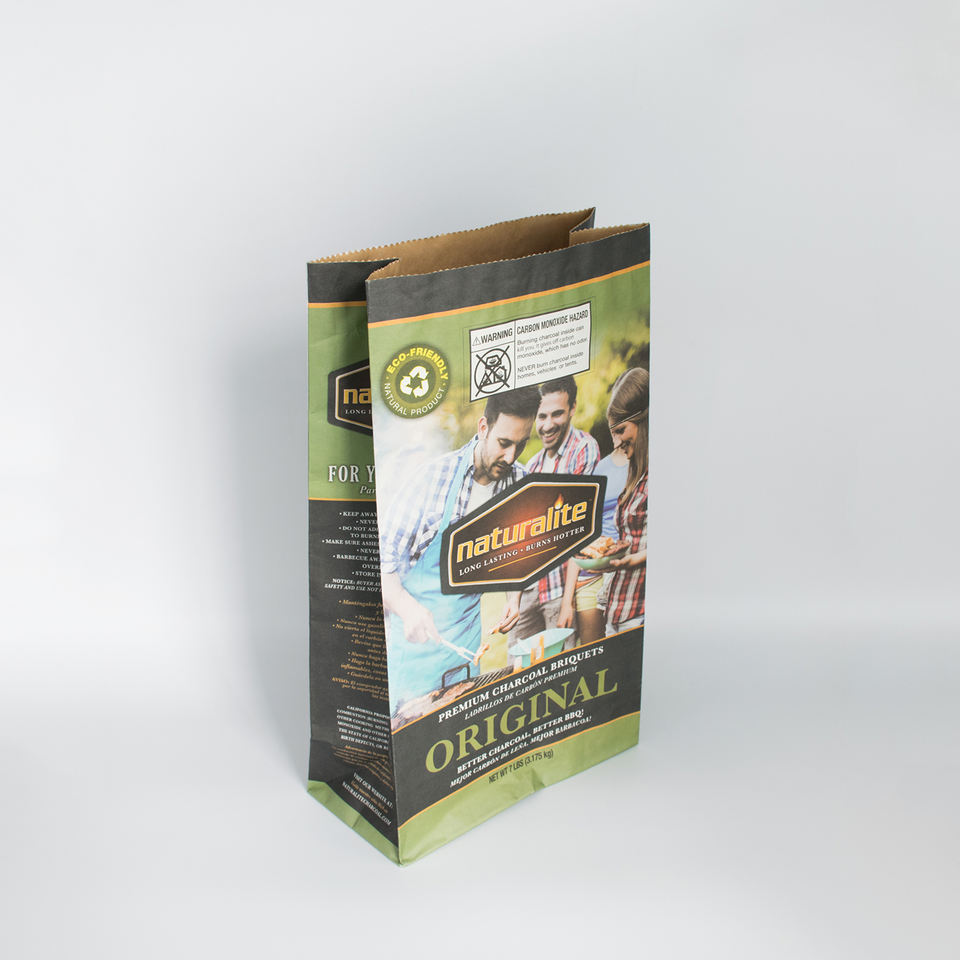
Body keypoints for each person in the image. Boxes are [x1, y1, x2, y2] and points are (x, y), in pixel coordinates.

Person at [379, 386, 541, 711]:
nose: (511, 457)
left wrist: (513, 597)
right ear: (483, 428)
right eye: (504, 443)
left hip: (466, 650)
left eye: (521, 445)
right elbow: (380, 565)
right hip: (412, 655)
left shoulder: (521, 484)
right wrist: (408, 609)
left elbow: (517, 551)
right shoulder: (432, 479)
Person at [512, 376, 600, 648]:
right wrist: (513, 600)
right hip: (529, 591)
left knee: (559, 663)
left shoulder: (583, 449)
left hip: (558, 588)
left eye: (557, 414)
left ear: (572, 408)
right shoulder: (532, 467)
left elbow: (580, 530)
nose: (548, 425)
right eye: (542, 416)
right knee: (517, 664)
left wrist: (567, 602)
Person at [605, 368, 649, 636]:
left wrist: (637, 559)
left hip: (639, 616)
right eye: (613, 433)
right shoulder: (634, 476)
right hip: (617, 613)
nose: (616, 443)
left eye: (621, 430)